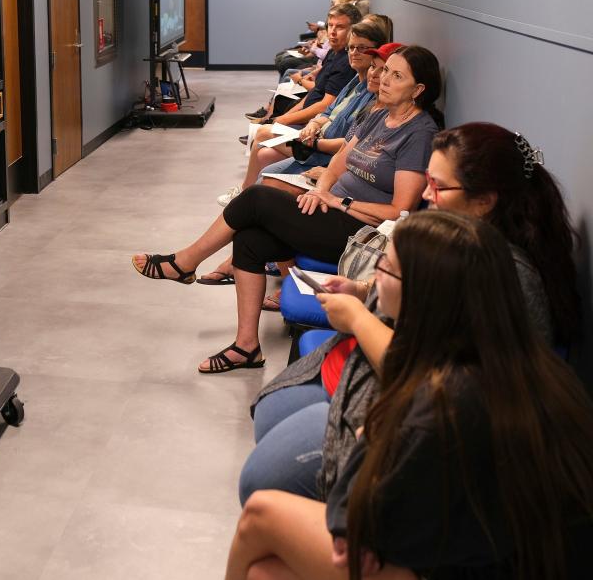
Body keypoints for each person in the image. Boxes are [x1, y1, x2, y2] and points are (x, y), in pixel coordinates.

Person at [225, 212, 593, 580]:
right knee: (265, 571)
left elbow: (356, 522)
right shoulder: (516, 363)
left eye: (387, 265)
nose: (376, 272)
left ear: (425, 294)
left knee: (260, 514)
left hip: (469, 566)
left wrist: (370, 438)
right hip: (509, 556)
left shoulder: (441, 403)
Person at [239, 124, 578, 506]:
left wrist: (357, 319)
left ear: (484, 201)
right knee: (274, 418)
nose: (426, 196)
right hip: (395, 379)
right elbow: (421, 300)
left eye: (438, 186)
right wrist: (364, 290)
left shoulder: (507, 276)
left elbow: (443, 383)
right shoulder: (458, 241)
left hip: (432, 422)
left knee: (262, 482)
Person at [133, 45, 442, 374]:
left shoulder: (419, 134)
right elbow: (339, 162)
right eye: (386, 71)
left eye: (397, 75)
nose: (384, 79)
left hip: (360, 232)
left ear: (418, 90)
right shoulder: (380, 115)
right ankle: (246, 347)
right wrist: (322, 190)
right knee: (250, 240)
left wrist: (341, 201)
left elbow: (400, 210)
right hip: (331, 210)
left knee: (255, 199)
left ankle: (185, 262)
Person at [222, 24, 392, 206]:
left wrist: (314, 144)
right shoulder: (356, 82)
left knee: (264, 143)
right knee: (264, 148)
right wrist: (313, 125)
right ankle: (244, 196)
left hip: (322, 150)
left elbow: (346, 145)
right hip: (316, 139)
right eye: (351, 47)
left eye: (362, 48)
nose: (355, 52)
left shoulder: (374, 100)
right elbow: (327, 111)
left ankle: (244, 197)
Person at [246, 4, 361, 127]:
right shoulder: (334, 51)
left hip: (313, 123)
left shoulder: (346, 61)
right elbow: (315, 92)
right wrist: (281, 119)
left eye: (340, 27)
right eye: (330, 26)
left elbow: (325, 105)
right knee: (276, 112)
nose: (332, 32)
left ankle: (265, 121)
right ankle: (266, 120)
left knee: (264, 135)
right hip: (307, 111)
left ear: (352, 31)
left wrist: (283, 120)